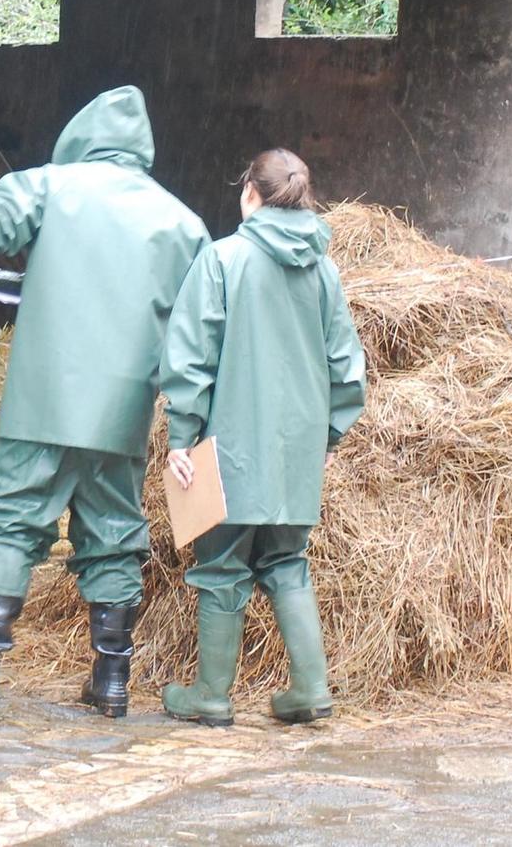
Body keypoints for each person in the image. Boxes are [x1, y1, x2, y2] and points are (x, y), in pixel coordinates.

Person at [0, 86, 207, 725]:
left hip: (42, 404)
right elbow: (200, 331)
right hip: (124, 412)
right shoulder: (184, 224)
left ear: (82, 137)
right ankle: (111, 681)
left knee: (9, 522)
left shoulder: (47, 186)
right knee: (112, 536)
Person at [158, 149, 367, 727]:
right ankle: (311, 689)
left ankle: (211, 695)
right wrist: (327, 434)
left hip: (228, 447)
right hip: (297, 454)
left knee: (222, 563)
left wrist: (181, 437)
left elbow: (192, 358)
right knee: (286, 560)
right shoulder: (324, 272)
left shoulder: (222, 261)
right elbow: (347, 366)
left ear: (250, 191)